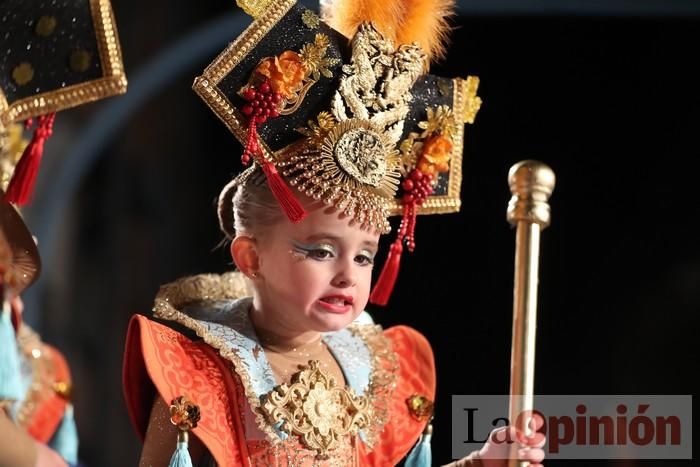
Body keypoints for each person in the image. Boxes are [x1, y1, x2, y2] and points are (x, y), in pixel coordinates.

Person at [122, 0, 545, 465]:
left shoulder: (367, 366)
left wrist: (483, 461)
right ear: (251, 258)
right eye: (321, 251)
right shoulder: (202, 374)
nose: (347, 275)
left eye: (364, 257)